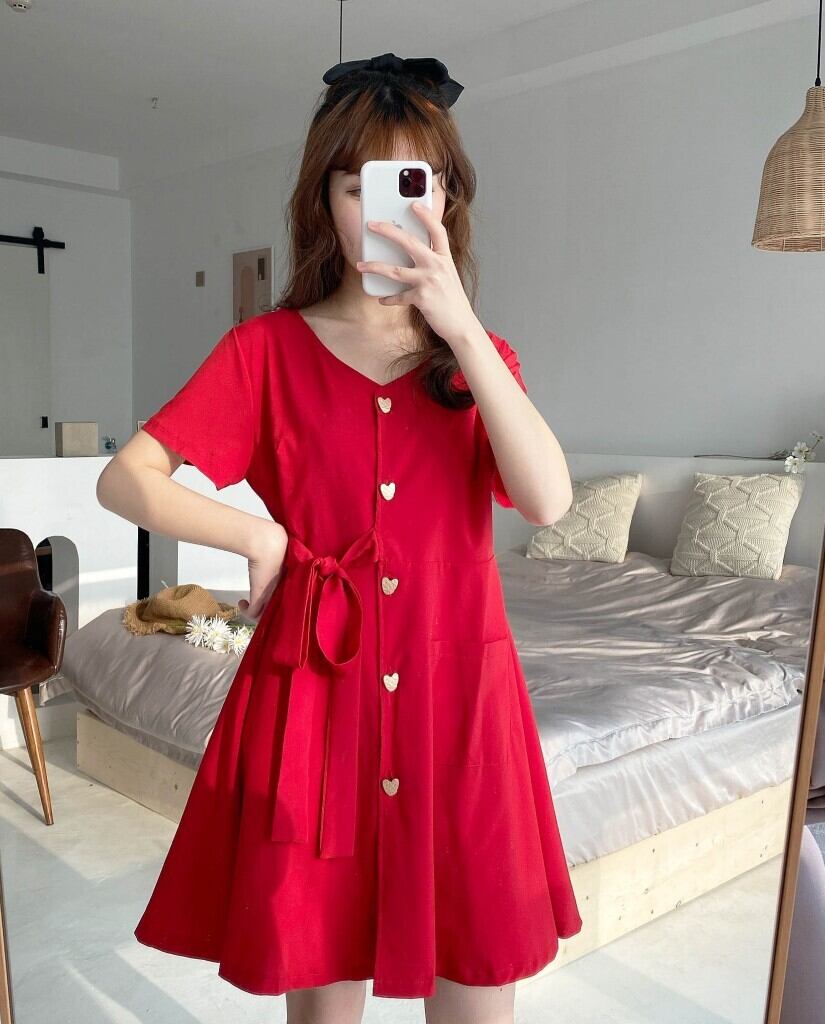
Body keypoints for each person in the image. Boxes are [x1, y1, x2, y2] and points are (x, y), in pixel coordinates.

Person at [96, 52, 581, 1024]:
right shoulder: (264, 352)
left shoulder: (478, 362)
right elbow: (126, 477)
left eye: (410, 184)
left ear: (445, 200)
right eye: (357, 186)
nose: (380, 210)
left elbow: (548, 501)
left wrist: (461, 326)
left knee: (478, 982)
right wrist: (257, 535)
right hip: (316, 704)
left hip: (459, 707)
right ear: (325, 200)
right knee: (322, 989)